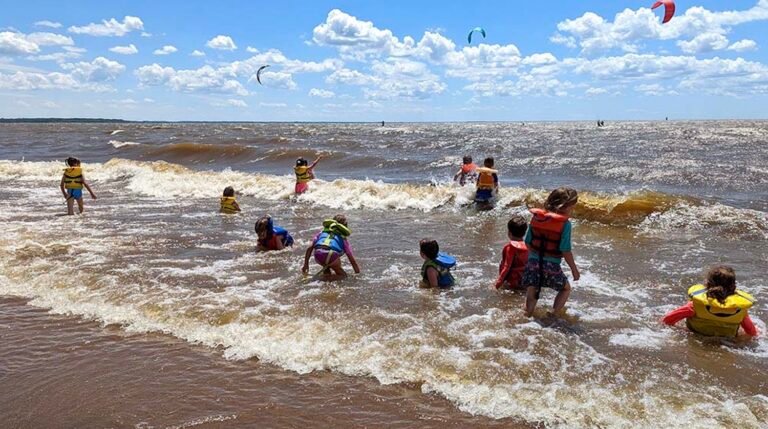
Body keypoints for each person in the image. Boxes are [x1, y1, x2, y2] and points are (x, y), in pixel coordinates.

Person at [521, 187, 580, 317]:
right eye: (572, 207)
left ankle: (526, 316)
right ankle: (553, 314)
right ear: (565, 207)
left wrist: (535, 257)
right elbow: (565, 250)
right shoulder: (565, 225)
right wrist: (574, 270)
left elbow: (528, 242)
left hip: (533, 264)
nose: (572, 210)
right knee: (565, 289)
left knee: (532, 292)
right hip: (551, 267)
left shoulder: (537, 218)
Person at [662, 266, 758, 337]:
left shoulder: (695, 305)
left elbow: (667, 320)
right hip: (727, 342)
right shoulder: (739, 309)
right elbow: (751, 332)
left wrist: (681, 330)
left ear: (707, 284)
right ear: (734, 287)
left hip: (697, 337)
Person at [302, 215, 360, 280]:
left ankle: (325, 279)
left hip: (318, 255)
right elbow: (352, 260)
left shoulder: (321, 233)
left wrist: (306, 264)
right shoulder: (343, 239)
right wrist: (358, 274)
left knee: (326, 267)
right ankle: (322, 279)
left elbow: (309, 248)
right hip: (332, 255)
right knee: (343, 276)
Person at [494, 215, 529, 290]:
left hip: (512, 282)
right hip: (526, 281)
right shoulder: (529, 247)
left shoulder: (510, 248)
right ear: (524, 232)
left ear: (509, 233)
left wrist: (497, 284)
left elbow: (506, 267)